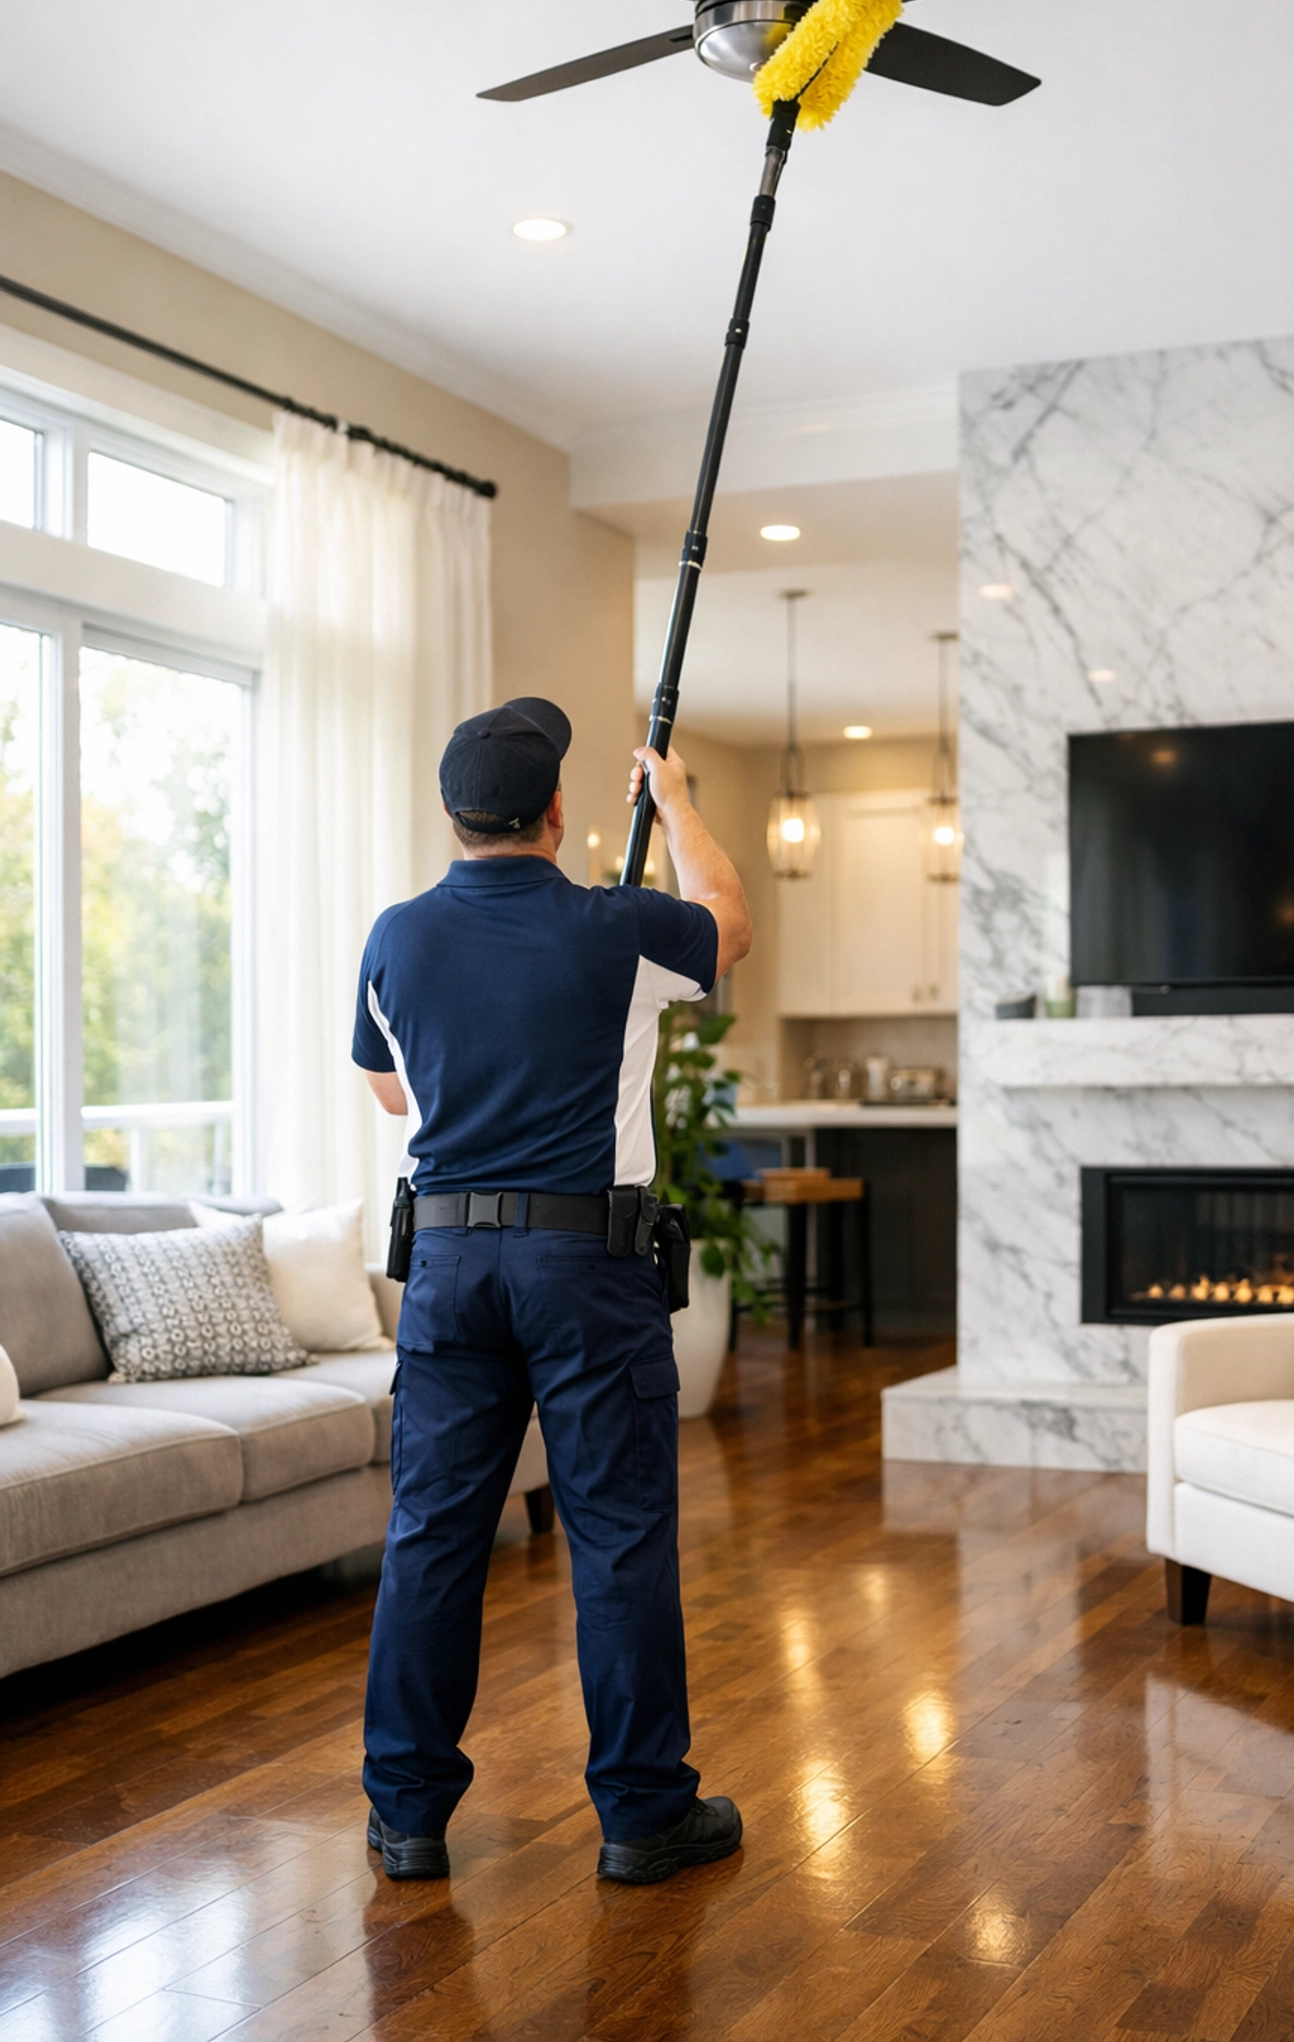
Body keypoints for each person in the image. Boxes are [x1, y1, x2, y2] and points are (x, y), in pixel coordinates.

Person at [352, 696, 752, 1885]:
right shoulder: (617, 925)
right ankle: (642, 1818)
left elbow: (391, 1095)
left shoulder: (396, 936)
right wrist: (675, 804)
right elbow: (727, 926)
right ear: (559, 812)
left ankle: (408, 1815)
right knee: (618, 1540)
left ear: (451, 813)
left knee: (431, 1538)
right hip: (588, 1267)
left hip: (451, 1269)